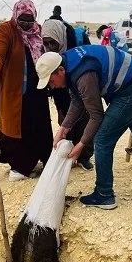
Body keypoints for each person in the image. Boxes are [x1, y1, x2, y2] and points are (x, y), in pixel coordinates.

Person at [35, 46, 132, 210]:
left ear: (60, 70)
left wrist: (81, 145)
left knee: (103, 138)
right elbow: (78, 101)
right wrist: (64, 129)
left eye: (51, 81)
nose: (52, 86)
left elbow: (96, 116)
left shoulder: (83, 75)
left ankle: (104, 195)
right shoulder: (70, 64)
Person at [0, 0, 53, 182]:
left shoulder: (38, 30)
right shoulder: (7, 30)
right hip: (17, 91)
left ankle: (47, 161)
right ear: (16, 16)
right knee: (20, 127)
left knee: (41, 125)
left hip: (38, 89)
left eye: (29, 20)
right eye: (22, 19)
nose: (26, 24)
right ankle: (22, 166)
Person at [41, 19, 94, 170]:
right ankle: (69, 154)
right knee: (67, 121)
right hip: (64, 92)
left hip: (84, 85)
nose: (50, 47)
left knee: (86, 118)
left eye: (53, 43)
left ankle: (84, 155)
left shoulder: (76, 43)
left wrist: (82, 145)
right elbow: (52, 85)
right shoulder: (47, 56)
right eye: (46, 43)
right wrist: (59, 111)